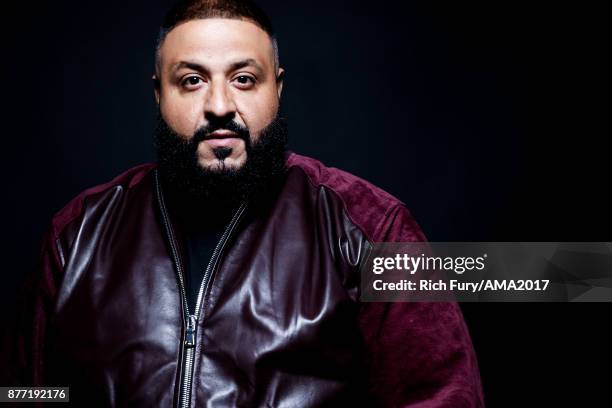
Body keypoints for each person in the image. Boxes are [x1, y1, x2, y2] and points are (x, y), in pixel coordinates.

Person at [5, 0, 483, 406]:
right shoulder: (78, 233)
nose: (218, 105)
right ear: (158, 93)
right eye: (192, 80)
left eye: (244, 79)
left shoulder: (374, 227)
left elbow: (441, 396)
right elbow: (25, 392)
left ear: (278, 89)